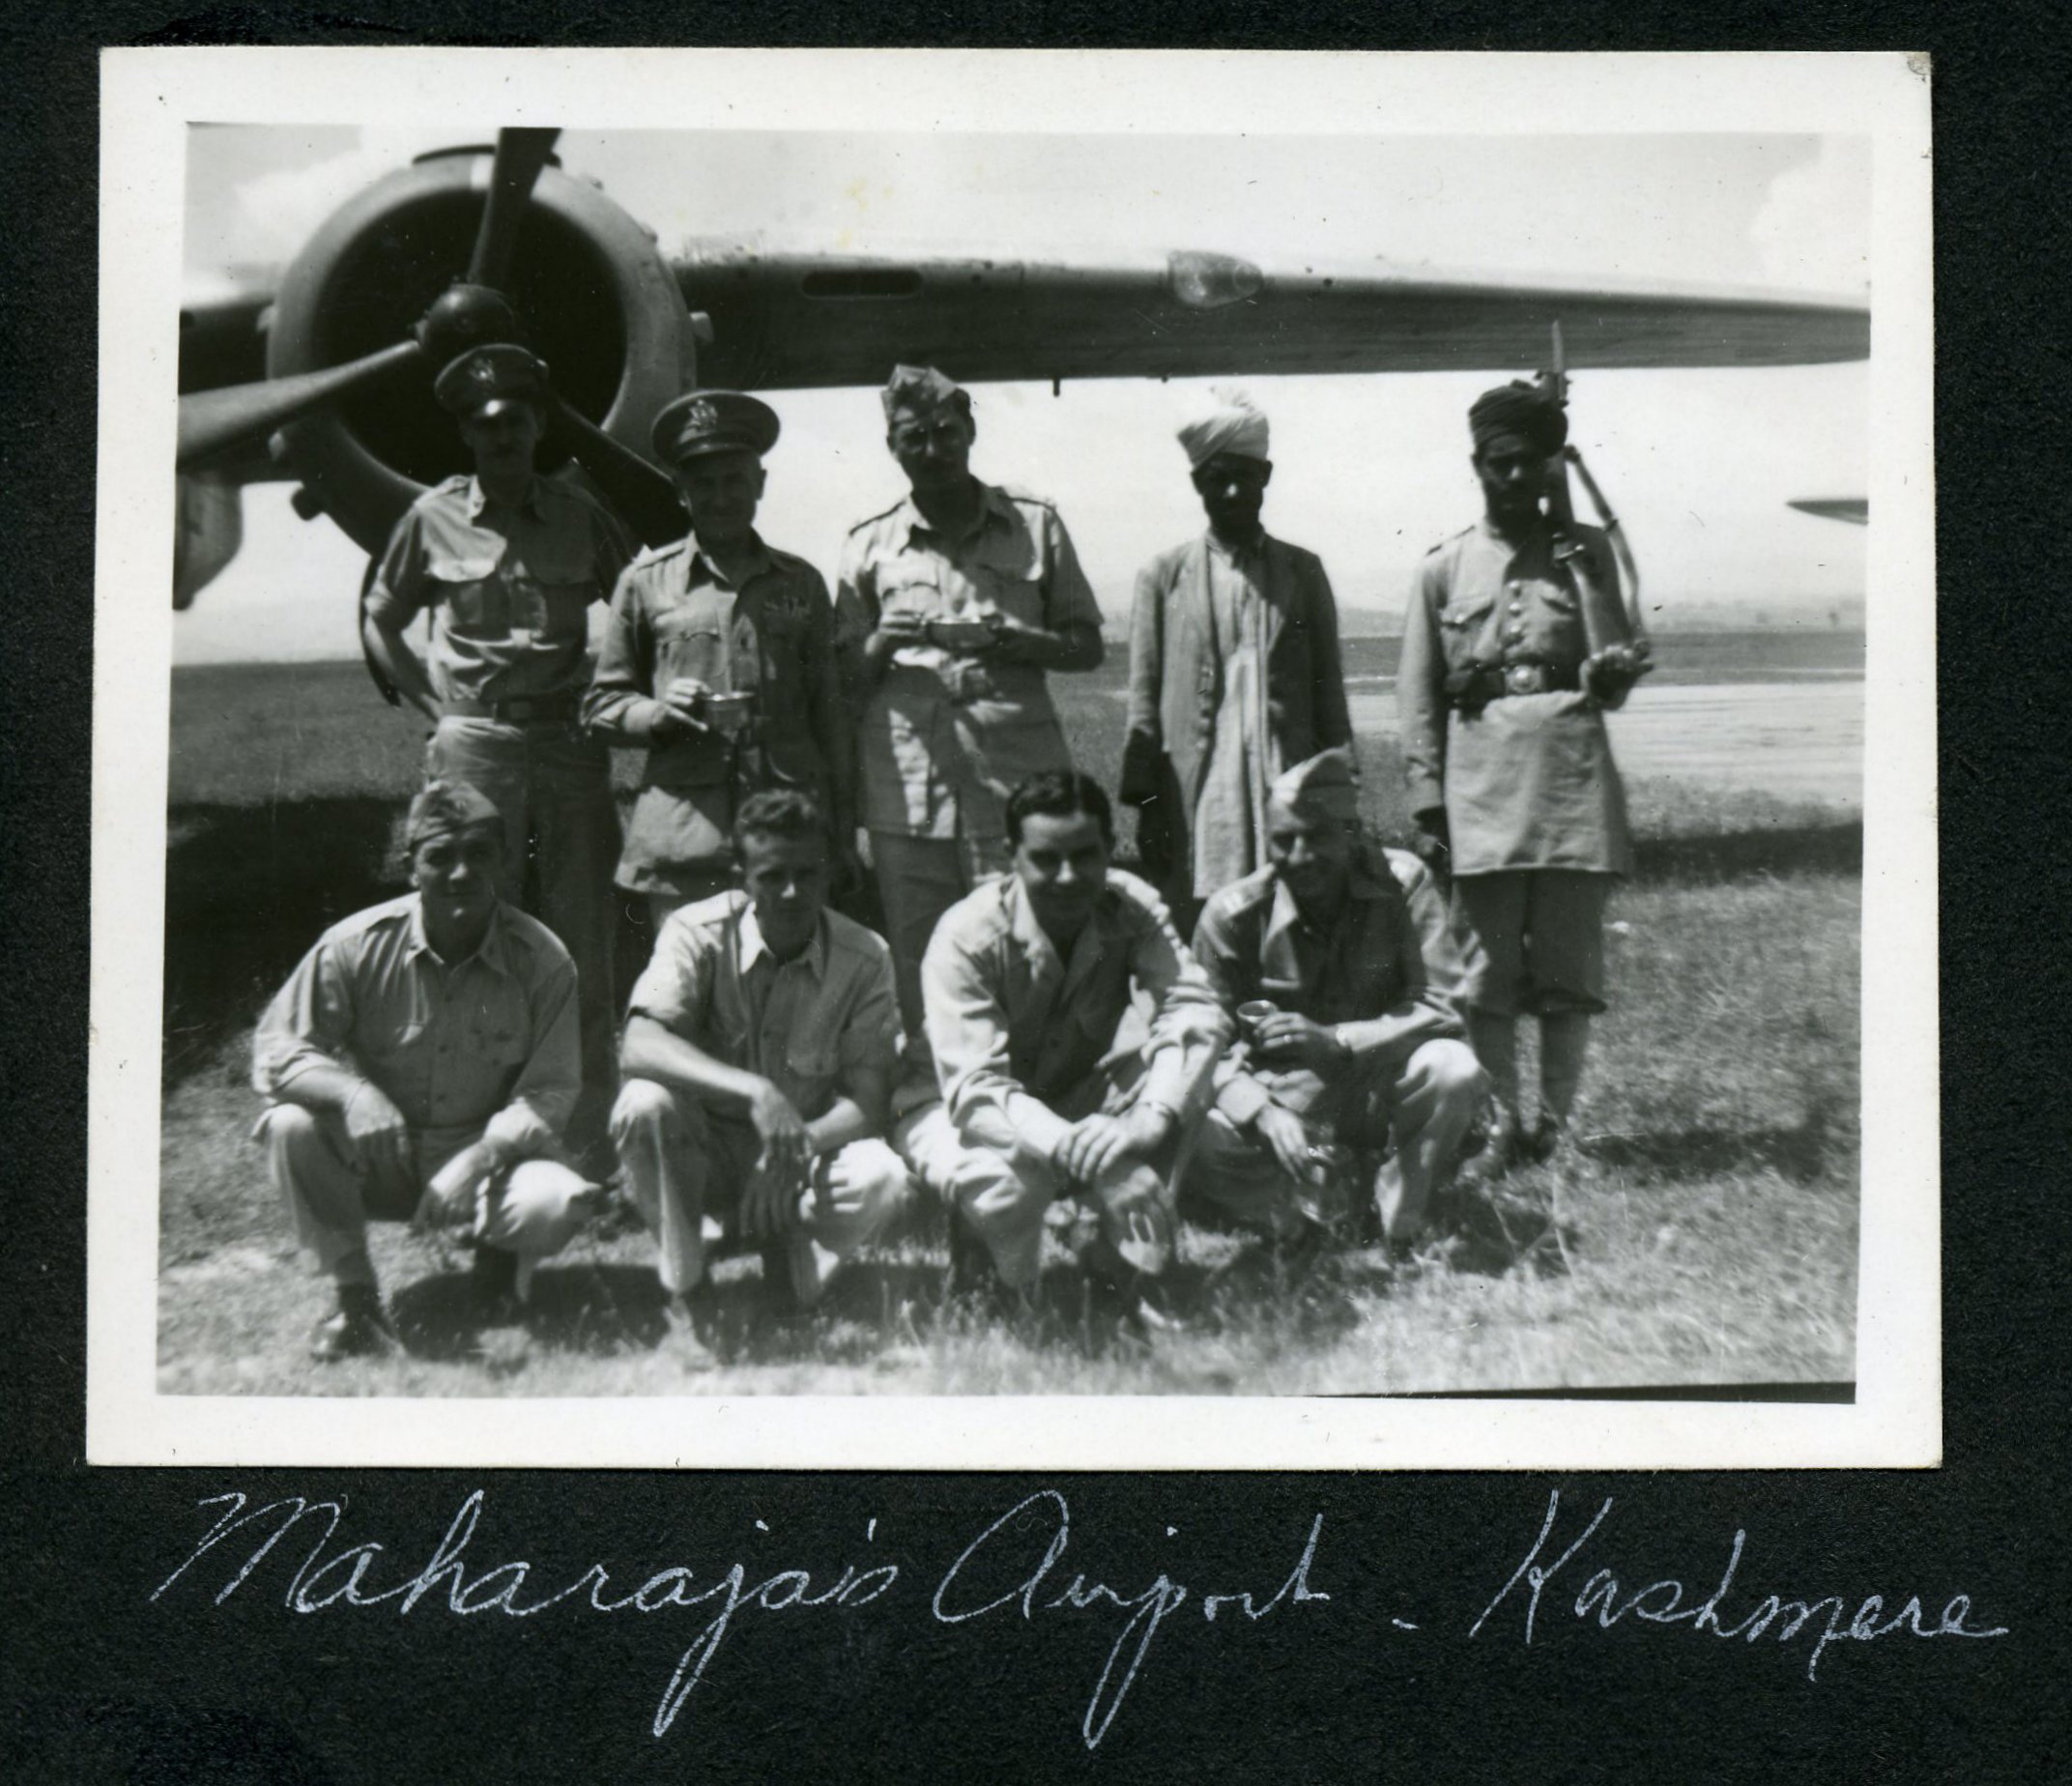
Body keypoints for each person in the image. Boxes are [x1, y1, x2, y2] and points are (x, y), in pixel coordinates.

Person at [360, 344, 635, 1169]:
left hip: (568, 741)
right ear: (468, 438)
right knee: (475, 925)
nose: (502, 437)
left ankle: (587, 1134)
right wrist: (436, 706)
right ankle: (486, 1128)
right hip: (473, 743)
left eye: (515, 421)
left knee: (584, 934)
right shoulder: (432, 517)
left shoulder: (583, 517)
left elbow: (639, 599)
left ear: (539, 425)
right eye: (486, 426)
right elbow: (382, 616)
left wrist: (612, 691)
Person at [252, 781, 597, 1361]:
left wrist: (478, 1159)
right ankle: (355, 1300)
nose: (461, 872)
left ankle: (499, 1258)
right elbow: (275, 1049)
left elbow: (552, 1089)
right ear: (410, 866)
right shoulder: (354, 945)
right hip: (380, 1155)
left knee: (559, 1201)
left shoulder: (542, 959)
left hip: (486, 1159)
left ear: (504, 862)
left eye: (479, 854)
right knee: (289, 1124)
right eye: (440, 856)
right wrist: (354, 1094)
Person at [1396, 380, 1646, 1170]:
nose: (1512, 476)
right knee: (1487, 973)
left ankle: (1558, 1129)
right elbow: (1417, 694)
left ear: (1548, 468)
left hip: (1571, 780)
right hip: (1481, 793)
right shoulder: (1442, 570)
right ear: (1478, 464)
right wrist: (1428, 801)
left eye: (1528, 462)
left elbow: (1615, 676)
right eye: (1498, 462)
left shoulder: (1587, 556)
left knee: (1570, 970)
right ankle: (1504, 1127)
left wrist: (1611, 672)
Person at [900, 771, 1233, 1333]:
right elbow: (977, 1093)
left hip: (1070, 1090)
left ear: (1110, 851)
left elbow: (1196, 1009)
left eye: (1086, 856)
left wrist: (1148, 1122)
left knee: (1181, 1078)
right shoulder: (964, 934)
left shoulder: (1132, 906)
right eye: (1046, 858)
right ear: (1012, 856)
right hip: (951, 1105)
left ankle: (1126, 1268)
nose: (1069, 876)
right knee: (1008, 1187)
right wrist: (1105, 1164)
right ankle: (989, 1270)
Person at [835, 364, 1107, 1033]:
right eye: (912, 437)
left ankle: (1035, 1091)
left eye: (944, 433)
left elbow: (1086, 647)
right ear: (892, 447)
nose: (931, 450)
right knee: (921, 956)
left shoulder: (1033, 526)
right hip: (910, 794)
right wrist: (877, 643)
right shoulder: (867, 544)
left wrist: (1025, 642)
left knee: (1025, 946)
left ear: (970, 432)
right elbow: (840, 681)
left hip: (1015, 786)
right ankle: (931, 1100)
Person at [610, 789, 916, 1368]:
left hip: (800, 1158)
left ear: (831, 873)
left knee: (884, 1176)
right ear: (741, 877)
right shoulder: (693, 931)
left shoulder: (865, 955)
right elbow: (640, 1043)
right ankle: (689, 1283)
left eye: (808, 873)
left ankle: (789, 1252)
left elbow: (868, 1101)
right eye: (773, 875)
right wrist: (757, 1091)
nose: (793, 892)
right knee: (643, 1104)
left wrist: (792, 1147)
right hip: (705, 1151)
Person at [1187, 750, 1486, 1247]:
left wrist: (1338, 1040)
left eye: (1318, 835)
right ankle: (1319, 1201)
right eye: (1284, 841)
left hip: (1381, 1080)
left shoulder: (1402, 884)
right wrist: (1262, 1111)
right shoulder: (1233, 916)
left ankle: (1397, 1217)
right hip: (1286, 1101)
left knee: (1455, 1068)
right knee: (1191, 1128)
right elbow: (1203, 1044)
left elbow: (1445, 1003)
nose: (1301, 856)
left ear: (1353, 835)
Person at [585, 390, 856, 930]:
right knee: (689, 990)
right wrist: (655, 713)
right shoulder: (644, 583)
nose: (721, 497)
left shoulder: (801, 583)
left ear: (760, 485)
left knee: (791, 991)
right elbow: (600, 704)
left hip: (788, 836)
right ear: (681, 493)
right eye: (703, 484)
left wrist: (843, 833)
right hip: (687, 839)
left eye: (734, 480)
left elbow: (832, 715)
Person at [1122, 389, 1354, 935]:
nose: (1231, 491)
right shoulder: (1163, 576)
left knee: (1294, 923)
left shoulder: (1304, 571)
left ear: (1265, 476)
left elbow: (1330, 693)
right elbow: (1143, 700)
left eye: (1244, 476)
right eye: (1217, 477)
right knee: (1203, 925)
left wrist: (1343, 791)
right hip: (1199, 794)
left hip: (1286, 777)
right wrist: (1149, 804)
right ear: (1197, 482)